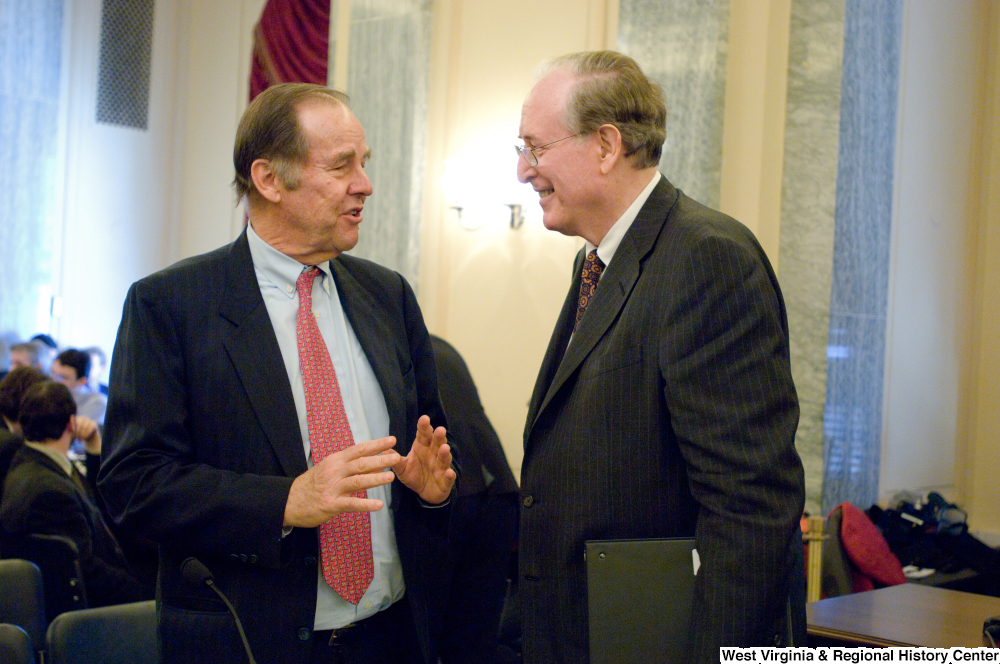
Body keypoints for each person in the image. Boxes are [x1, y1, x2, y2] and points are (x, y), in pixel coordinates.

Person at [98, 82, 456, 664]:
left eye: (364, 164)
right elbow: (132, 482)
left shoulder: (387, 296)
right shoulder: (172, 304)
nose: (364, 184)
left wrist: (433, 490)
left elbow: (433, 445)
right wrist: (284, 501)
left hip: (392, 635)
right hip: (249, 639)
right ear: (268, 180)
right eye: (342, 166)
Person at [515, 51, 806, 663]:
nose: (523, 170)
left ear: (605, 145)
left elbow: (748, 508)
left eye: (535, 148)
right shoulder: (597, 259)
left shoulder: (707, 259)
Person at [0, 381, 150, 607]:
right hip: (95, 612)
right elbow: (87, 571)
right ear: (71, 422)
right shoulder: (50, 492)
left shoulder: (27, 463)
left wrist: (93, 448)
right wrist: (147, 594)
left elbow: (93, 499)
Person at [430, 335, 519, 664]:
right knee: (477, 638)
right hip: (498, 492)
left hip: (455, 497)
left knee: (432, 634)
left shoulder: (397, 345)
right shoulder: (441, 345)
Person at [52, 349, 107, 424]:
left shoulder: (96, 404)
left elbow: (75, 433)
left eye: (63, 377)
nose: (54, 380)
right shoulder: (47, 393)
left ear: (81, 381)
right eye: (52, 373)